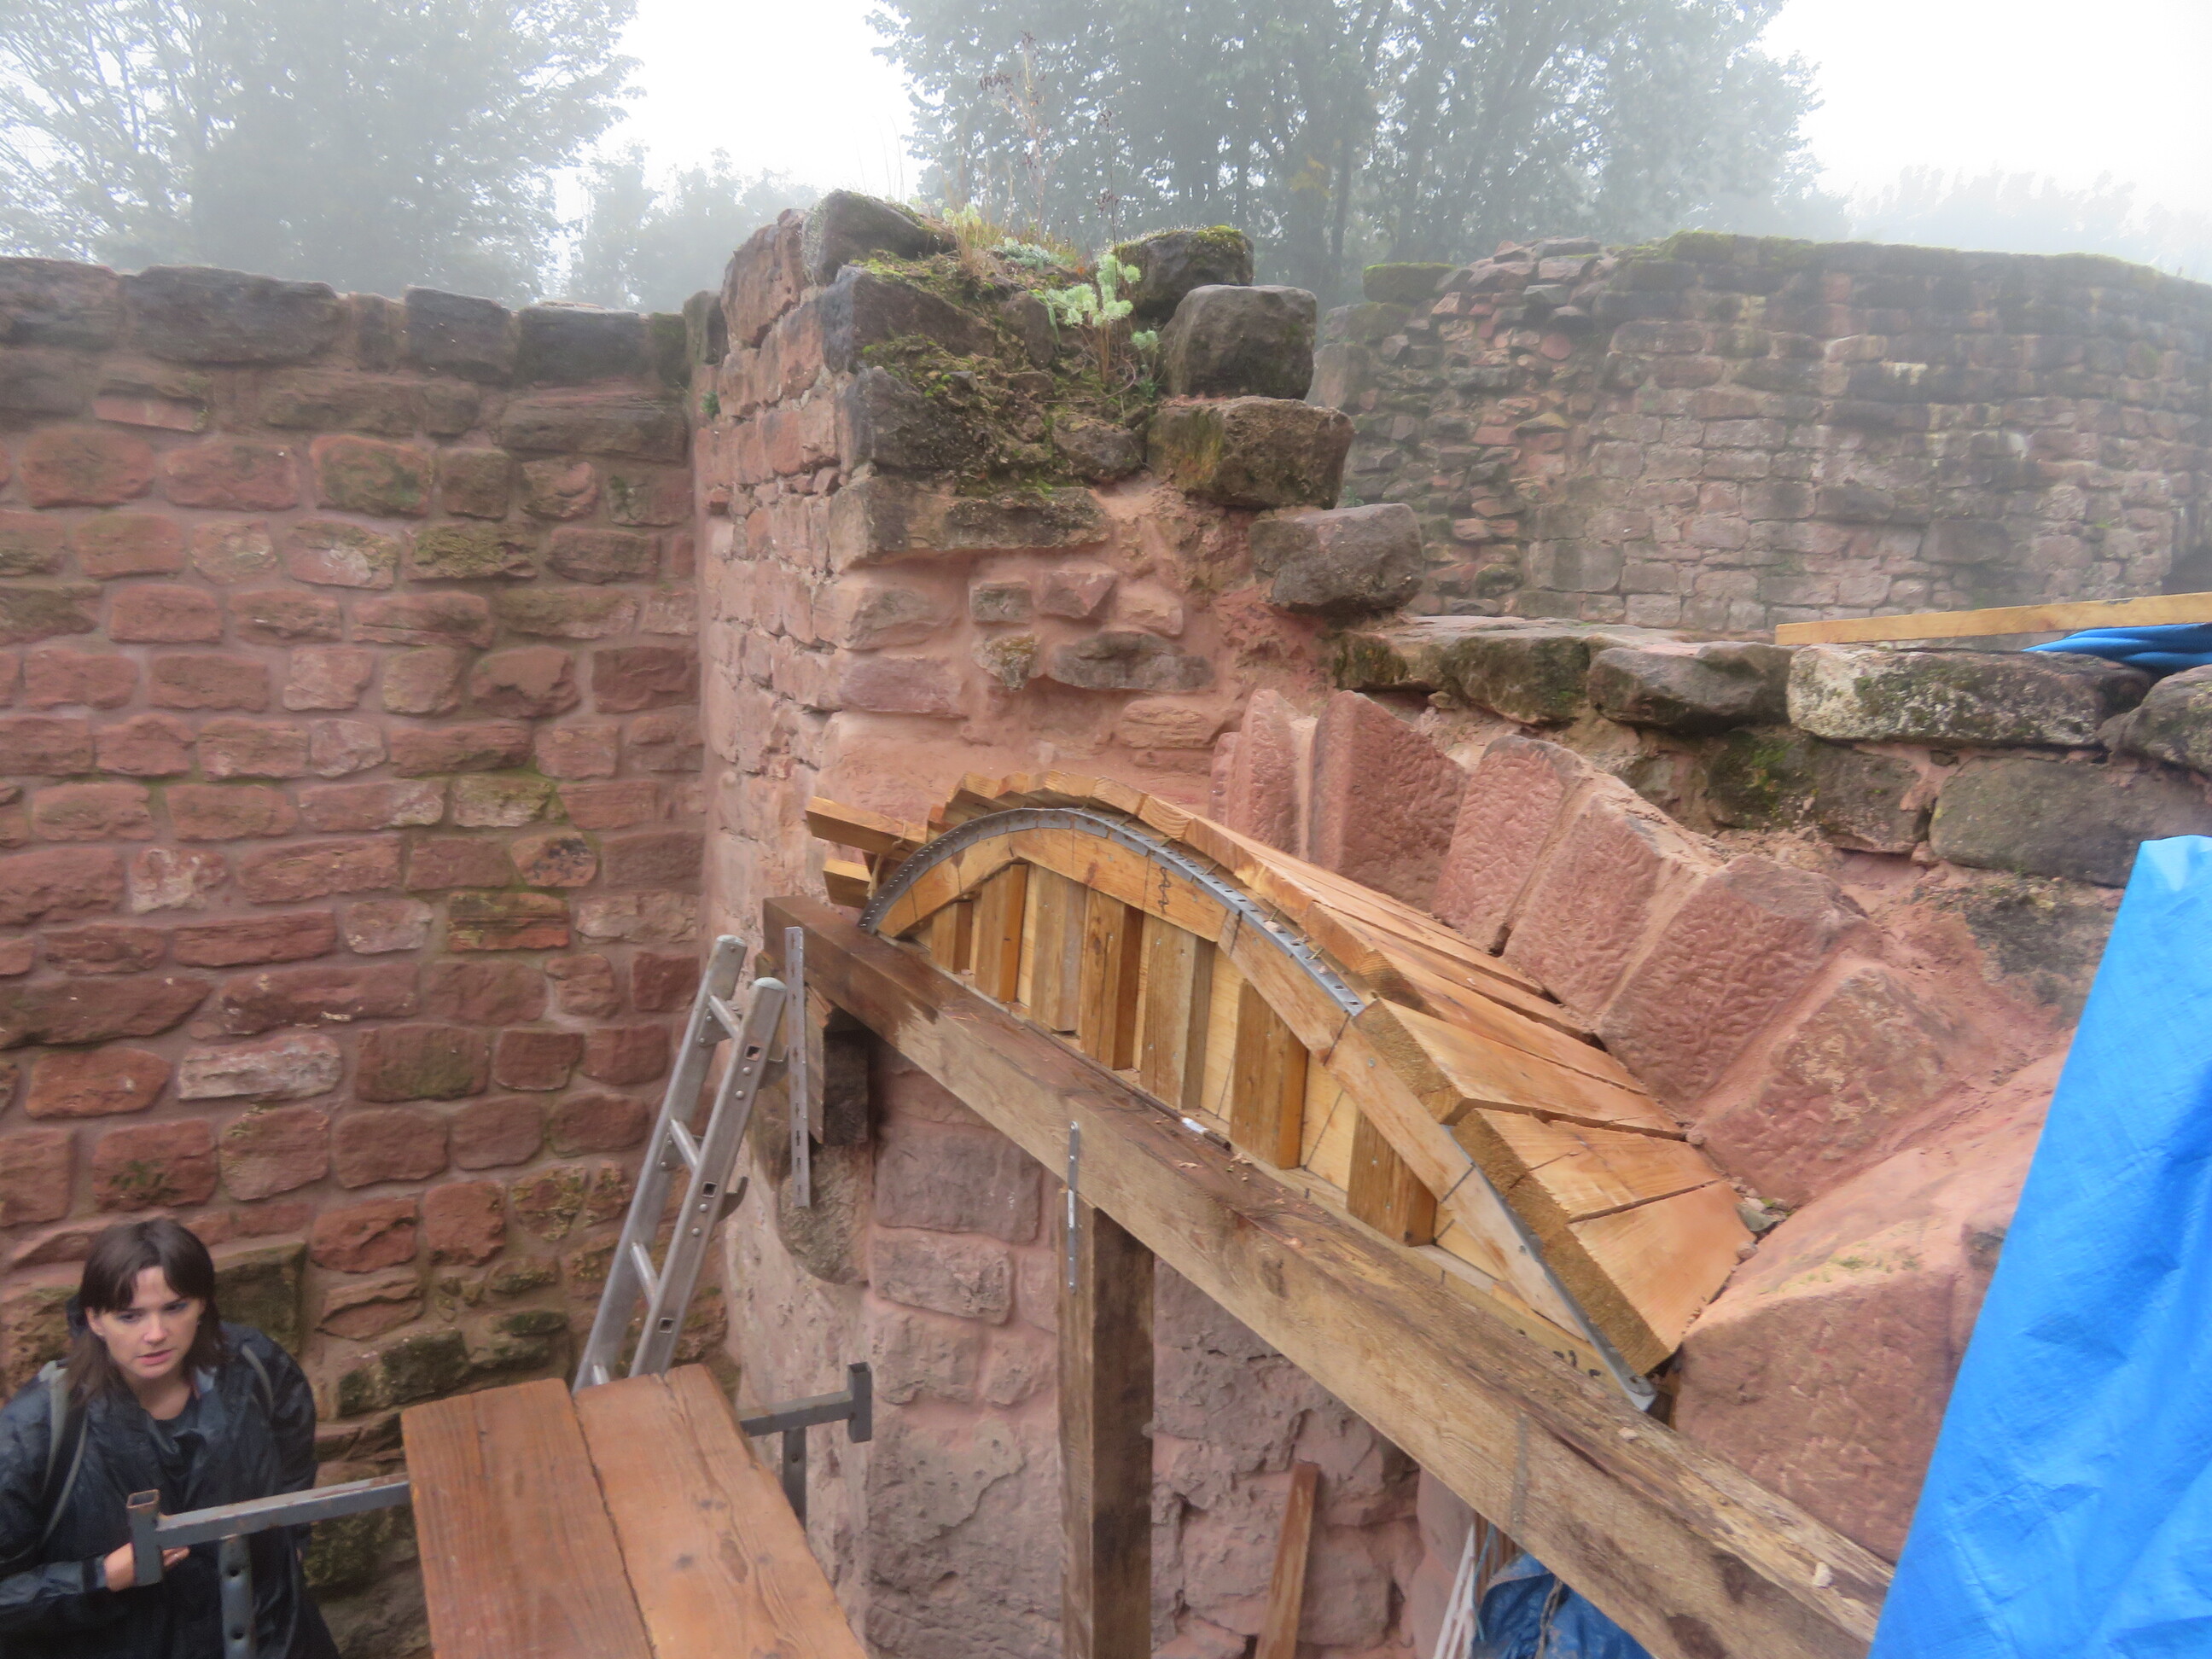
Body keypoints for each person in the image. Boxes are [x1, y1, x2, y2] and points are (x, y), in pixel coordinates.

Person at [0, 1219, 339, 1658]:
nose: (156, 1334)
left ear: (203, 1305)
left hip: (270, 1637)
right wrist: (102, 1576)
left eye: (175, 1308)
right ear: (95, 1319)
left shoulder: (255, 1368)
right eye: (130, 1316)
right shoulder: (39, 1428)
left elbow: (293, 1474)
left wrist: (289, 1552)